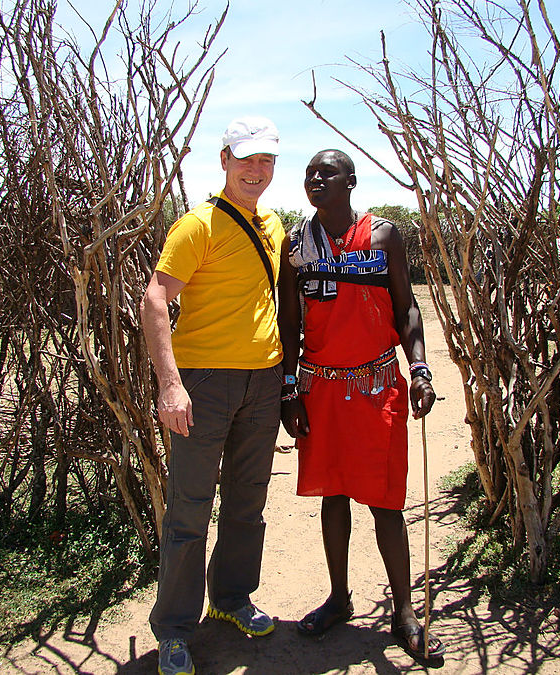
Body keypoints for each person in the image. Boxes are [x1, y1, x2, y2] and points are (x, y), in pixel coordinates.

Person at [278, 149, 445, 663]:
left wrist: (418, 368)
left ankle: (403, 614)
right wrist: (289, 390)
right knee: (334, 497)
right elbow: (289, 322)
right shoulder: (296, 247)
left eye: (325, 173)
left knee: (386, 504)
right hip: (321, 391)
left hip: (378, 390)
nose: (314, 180)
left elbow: (406, 305)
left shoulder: (384, 237)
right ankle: (339, 598)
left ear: (351, 181)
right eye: (308, 174)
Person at [142, 116, 285, 675]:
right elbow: (156, 299)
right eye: (246, 158)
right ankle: (174, 630)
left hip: (264, 381)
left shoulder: (273, 226)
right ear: (224, 160)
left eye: (266, 160)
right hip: (204, 382)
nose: (256, 170)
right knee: (190, 508)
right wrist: (170, 383)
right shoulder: (196, 225)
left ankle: (229, 600)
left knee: (248, 502)